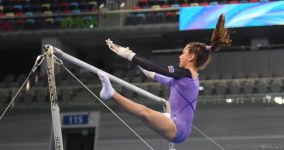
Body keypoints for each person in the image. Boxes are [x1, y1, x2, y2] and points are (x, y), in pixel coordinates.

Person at [97, 14, 232, 143]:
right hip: (176, 123)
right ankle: (111, 93)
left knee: (144, 112)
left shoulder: (184, 74)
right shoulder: (187, 78)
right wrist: (128, 55)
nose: (180, 56)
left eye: (183, 53)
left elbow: (153, 66)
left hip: (177, 128)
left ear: (191, 57)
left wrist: (129, 55)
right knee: (151, 111)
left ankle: (111, 93)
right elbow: (150, 73)